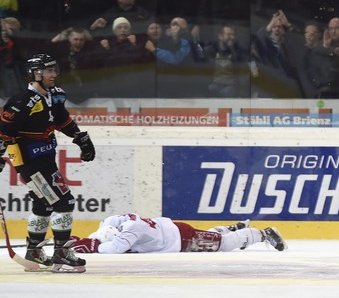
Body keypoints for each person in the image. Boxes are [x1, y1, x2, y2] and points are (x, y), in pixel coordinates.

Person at [0, 54, 95, 273]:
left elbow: (62, 120)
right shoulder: (21, 101)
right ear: (36, 74)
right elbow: (4, 132)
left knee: (43, 204)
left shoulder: (56, 96)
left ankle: (34, 252)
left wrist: (79, 138)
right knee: (64, 201)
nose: (54, 74)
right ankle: (61, 251)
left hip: (46, 158)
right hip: (29, 161)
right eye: (48, 71)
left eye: (54, 70)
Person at [71, 214, 286, 254]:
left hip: (181, 239)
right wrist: (91, 238)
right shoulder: (116, 223)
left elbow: (116, 249)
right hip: (175, 230)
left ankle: (263, 234)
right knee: (213, 238)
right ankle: (232, 227)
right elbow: (105, 228)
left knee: (223, 244)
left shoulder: (130, 231)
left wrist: (94, 247)